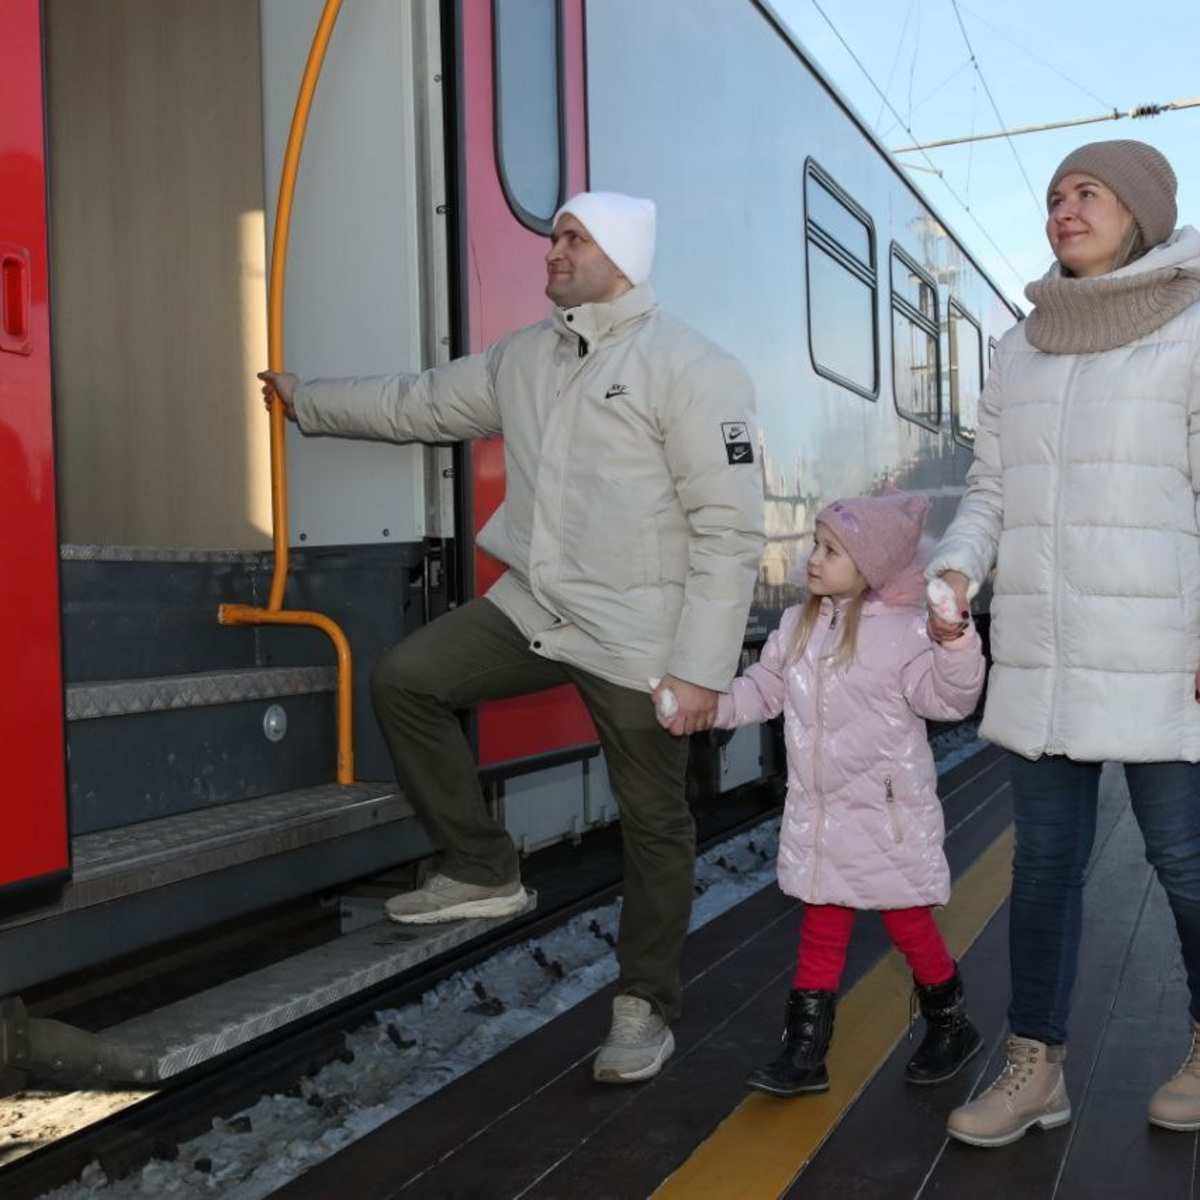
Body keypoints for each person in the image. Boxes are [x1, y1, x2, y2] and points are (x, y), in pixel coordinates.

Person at [259, 191, 766, 1084]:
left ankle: (644, 1005)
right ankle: (483, 865)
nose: (553, 252)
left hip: (638, 634)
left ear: (620, 256)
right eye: (554, 236)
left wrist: (699, 671)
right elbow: (419, 403)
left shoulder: (692, 367)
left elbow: (729, 532)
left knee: (654, 819)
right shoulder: (526, 357)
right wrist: (309, 404)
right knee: (405, 680)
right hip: (536, 605)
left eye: (573, 239)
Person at [926, 139, 1200, 1147]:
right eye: (1052, 196)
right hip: (1044, 647)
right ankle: (1036, 1067)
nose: (1063, 209)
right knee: (1041, 864)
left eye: (1087, 192)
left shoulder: (1195, 323)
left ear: (1140, 210)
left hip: (1166, 647)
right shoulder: (1023, 344)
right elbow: (991, 491)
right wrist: (956, 568)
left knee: (1186, 860)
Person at [705, 490, 986, 1096]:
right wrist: (716, 707)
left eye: (831, 550)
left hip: (886, 815)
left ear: (869, 570)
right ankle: (804, 1052)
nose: (813, 558)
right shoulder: (798, 623)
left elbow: (950, 700)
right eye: (815, 544)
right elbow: (764, 689)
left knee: (907, 919)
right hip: (823, 813)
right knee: (821, 922)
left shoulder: (907, 635)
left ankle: (950, 1022)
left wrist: (956, 641)